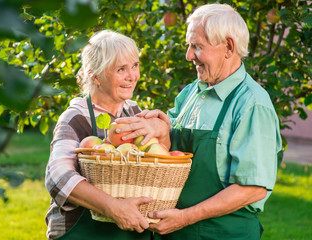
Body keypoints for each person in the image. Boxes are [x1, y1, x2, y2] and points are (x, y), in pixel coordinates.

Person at [115, 3, 282, 239]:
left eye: (197, 47)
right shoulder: (193, 91)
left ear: (228, 47)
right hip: (176, 232)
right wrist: (159, 127)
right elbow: (170, 146)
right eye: (189, 46)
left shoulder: (252, 104)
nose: (188, 55)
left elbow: (252, 188)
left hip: (222, 233)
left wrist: (185, 218)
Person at [44, 30, 170, 240]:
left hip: (129, 232)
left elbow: (159, 163)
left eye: (135, 65)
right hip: (82, 233)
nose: (132, 76)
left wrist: (162, 130)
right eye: (121, 69)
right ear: (95, 75)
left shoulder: (135, 114)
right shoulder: (76, 117)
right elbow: (58, 177)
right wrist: (113, 208)